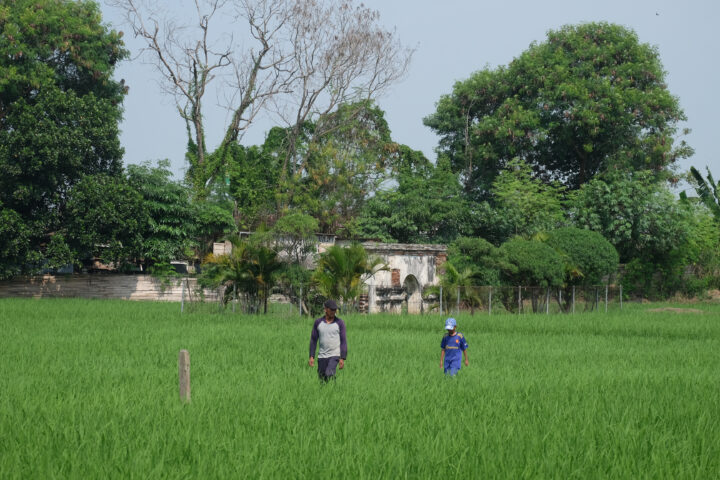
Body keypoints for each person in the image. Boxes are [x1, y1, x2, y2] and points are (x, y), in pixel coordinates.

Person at [308, 299, 347, 383]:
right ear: (325, 309)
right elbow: (313, 340)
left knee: (329, 373)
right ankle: (332, 391)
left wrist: (342, 358)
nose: (334, 311)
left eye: (335, 310)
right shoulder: (318, 322)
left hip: (334, 355)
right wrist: (311, 356)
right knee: (322, 380)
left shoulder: (340, 323)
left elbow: (343, 341)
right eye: (331, 309)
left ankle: (334, 387)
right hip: (322, 356)